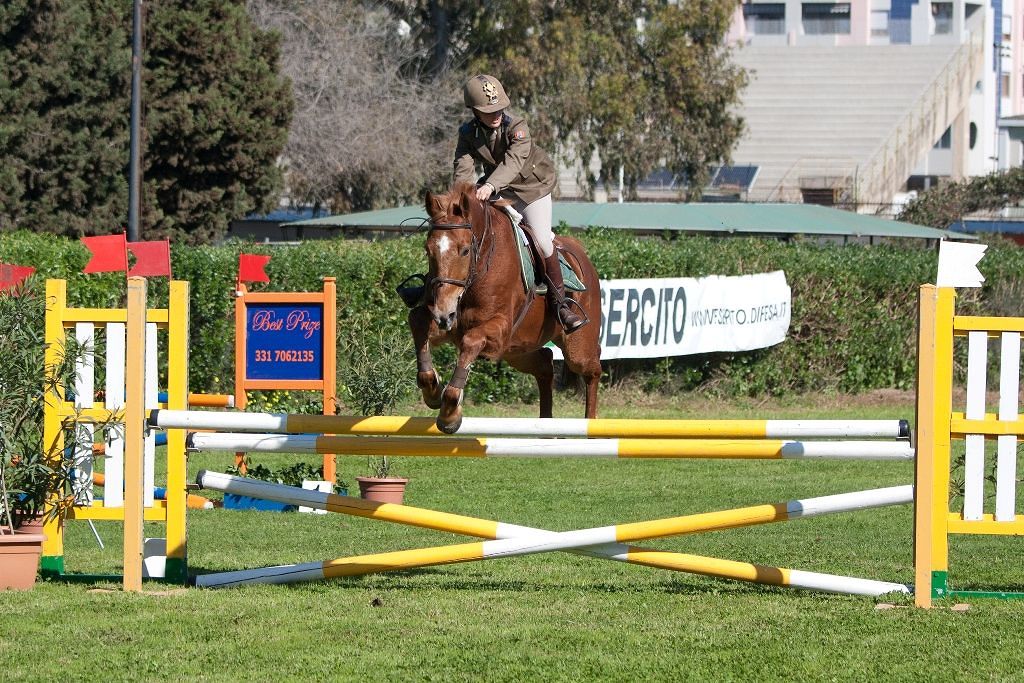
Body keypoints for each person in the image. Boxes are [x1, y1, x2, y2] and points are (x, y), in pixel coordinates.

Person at [453, 74, 585, 334]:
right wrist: (461, 197)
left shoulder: (517, 127)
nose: (496, 115)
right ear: (474, 111)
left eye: (498, 108)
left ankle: (562, 305)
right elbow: (462, 167)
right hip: (500, 187)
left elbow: (513, 161)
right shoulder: (467, 133)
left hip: (532, 188)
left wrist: (490, 186)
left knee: (543, 239)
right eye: (488, 111)